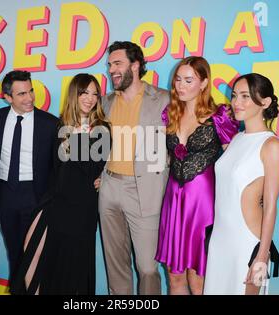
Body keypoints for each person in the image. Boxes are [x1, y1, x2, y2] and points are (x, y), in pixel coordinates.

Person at [8, 73, 110, 295]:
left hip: (82, 207)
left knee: (73, 264)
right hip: (54, 201)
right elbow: (53, 167)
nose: (90, 98)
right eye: (85, 92)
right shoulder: (60, 124)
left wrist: (80, 134)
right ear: (75, 94)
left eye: (95, 94)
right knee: (33, 250)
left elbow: (91, 170)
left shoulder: (103, 129)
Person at [155, 56, 239, 295]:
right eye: (178, 79)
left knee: (199, 279)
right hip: (174, 201)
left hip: (203, 205)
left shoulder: (220, 116)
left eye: (188, 80)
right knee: (174, 277)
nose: (180, 85)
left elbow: (232, 164)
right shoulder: (169, 113)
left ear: (203, 83)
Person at [204, 73, 279, 295]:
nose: (236, 103)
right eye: (234, 96)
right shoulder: (237, 139)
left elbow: (270, 206)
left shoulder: (271, 145)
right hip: (220, 241)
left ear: (265, 102)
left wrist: (261, 256)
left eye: (245, 96)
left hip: (246, 243)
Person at [99, 41, 170, 295]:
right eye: (109, 65)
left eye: (117, 64)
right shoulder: (105, 103)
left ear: (136, 65)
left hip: (145, 190)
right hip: (109, 188)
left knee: (148, 267)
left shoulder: (163, 99)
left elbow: (176, 145)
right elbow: (97, 145)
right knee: (115, 264)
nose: (112, 70)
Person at [0, 70, 58, 283]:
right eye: (21, 94)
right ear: (7, 97)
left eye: (31, 91)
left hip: (36, 195)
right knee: (14, 250)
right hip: (6, 192)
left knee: (36, 253)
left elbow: (58, 166)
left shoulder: (50, 123)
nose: (29, 98)